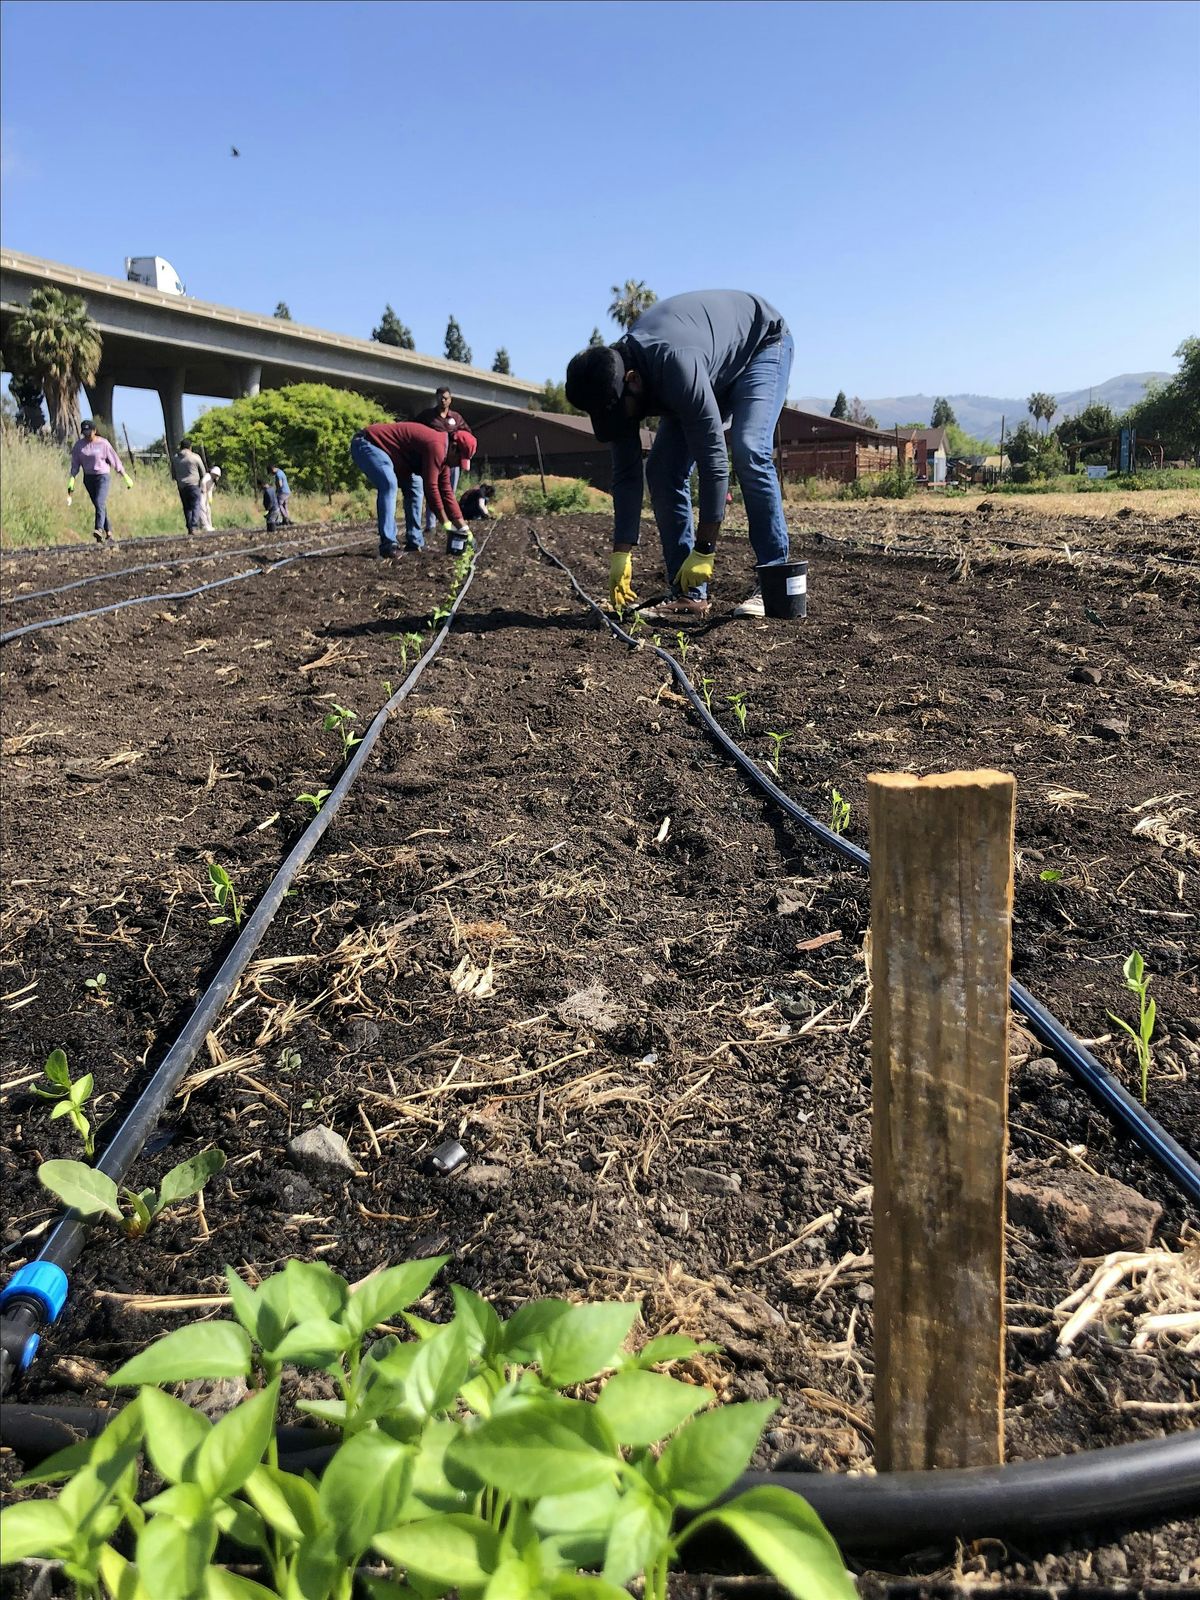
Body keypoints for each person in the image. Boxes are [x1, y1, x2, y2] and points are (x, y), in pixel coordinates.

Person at [564, 289, 794, 620]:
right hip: (708, 366)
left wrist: (705, 550)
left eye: (620, 412)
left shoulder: (674, 363)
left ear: (633, 381)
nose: (621, 421)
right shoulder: (609, 384)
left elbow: (714, 462)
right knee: (661, 470)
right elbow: (627, 473)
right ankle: (688, 597)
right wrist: (621, 553)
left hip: (761, 346)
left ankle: (775, 585)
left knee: (748, 449)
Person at [349, 421, 476, 557]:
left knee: (415, 485)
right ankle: (388, 544)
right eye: (458, 460)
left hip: (397, 458)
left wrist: (465, 530)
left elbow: (447, 493)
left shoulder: (444, 459)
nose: (456, 465)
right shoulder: (437, 446)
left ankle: (415, 541)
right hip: (369, 443)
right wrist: (446, 524)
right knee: (388, 483)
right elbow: (431, 488)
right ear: (453, 447)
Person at [67, 418, 132, 544]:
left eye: (89, 432)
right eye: (84, 433)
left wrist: (124, 476)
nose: (87, 435)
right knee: (99, 505)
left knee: (99, 501)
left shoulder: (103, 444)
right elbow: (75, 464)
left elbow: (114, 460)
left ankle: (99, 529)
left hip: (102, 476)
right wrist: (72, 479)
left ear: (95, 431)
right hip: (88, 478)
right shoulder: (79, 446)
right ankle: (109, 533)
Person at [413, 386, 468, 533]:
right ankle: (431, 525)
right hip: (434, 460)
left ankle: (450, 522)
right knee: (433, 489)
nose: (443, 400)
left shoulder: (456, 418)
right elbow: (414, 429)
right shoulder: (427, 416)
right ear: (436, 398)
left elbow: (466, 434)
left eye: (445, 398)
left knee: (449, 492)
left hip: (451, 460)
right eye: (440, 398)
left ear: (450, 399)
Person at [172, 438, 208, 532]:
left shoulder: (175, 458)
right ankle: (194, 526)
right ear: (190, 447)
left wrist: (179, 480)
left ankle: (189, 527)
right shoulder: (195, 457)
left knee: (187, 507)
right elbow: (203, 472)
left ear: (181, 447)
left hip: (182, 486)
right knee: (196, 505)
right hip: (194, 484)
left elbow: (173, 474)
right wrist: (200, 482)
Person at [200, 464, 222, 531]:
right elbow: (203, 482)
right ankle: (205, 526)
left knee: (208, 510)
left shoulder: (213, 481)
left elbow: (210, 490)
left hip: (206, 495)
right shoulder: (207, 476)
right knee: (202, 509)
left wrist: (210, 499)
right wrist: (204, 489)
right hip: (201, 493)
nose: (215, 476)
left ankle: (210, 525)